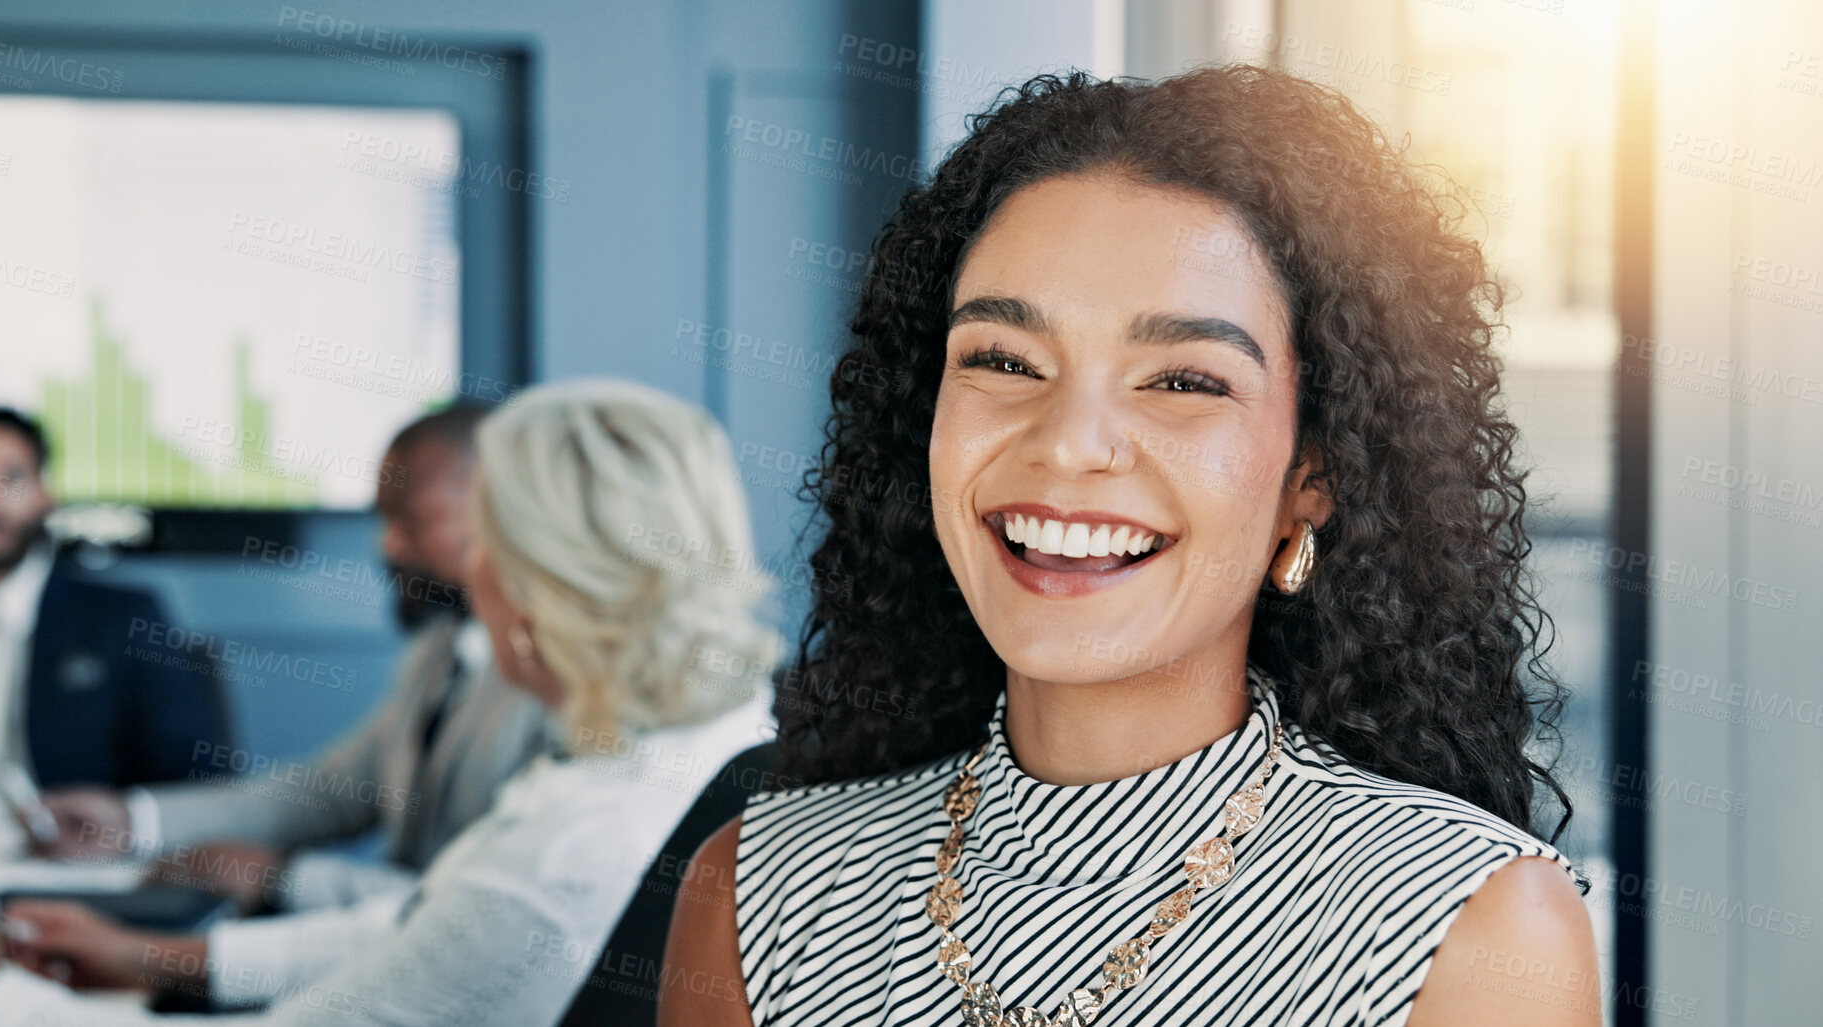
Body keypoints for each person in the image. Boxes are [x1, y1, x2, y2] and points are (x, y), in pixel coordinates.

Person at [661, 66, 1598, 1027]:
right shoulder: (759, 893)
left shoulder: (1465, 926)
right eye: (1002, 360)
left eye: (1183, 381)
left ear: (1311, 474)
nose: (1069, 442)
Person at [0, 379, 783, 1027]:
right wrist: (157, 956)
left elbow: (451, 920)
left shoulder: (565, 849)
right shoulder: (674, 752)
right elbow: (428, 925)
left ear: (538, 584)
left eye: (487, 539)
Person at [38, 404, 552, 913]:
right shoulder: (440, 650)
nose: (389, 544)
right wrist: (133, 821)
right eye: (385, 519)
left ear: (502, 518)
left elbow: (487, 911)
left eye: (413, 522)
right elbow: (330, 792)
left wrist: (282, 879)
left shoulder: (561, 688)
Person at [0, 407, 229, 853]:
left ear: (46, 494)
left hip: (90, 866)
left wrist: (122, 829)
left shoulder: (126, 621)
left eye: (12, 477)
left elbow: (196, 782)